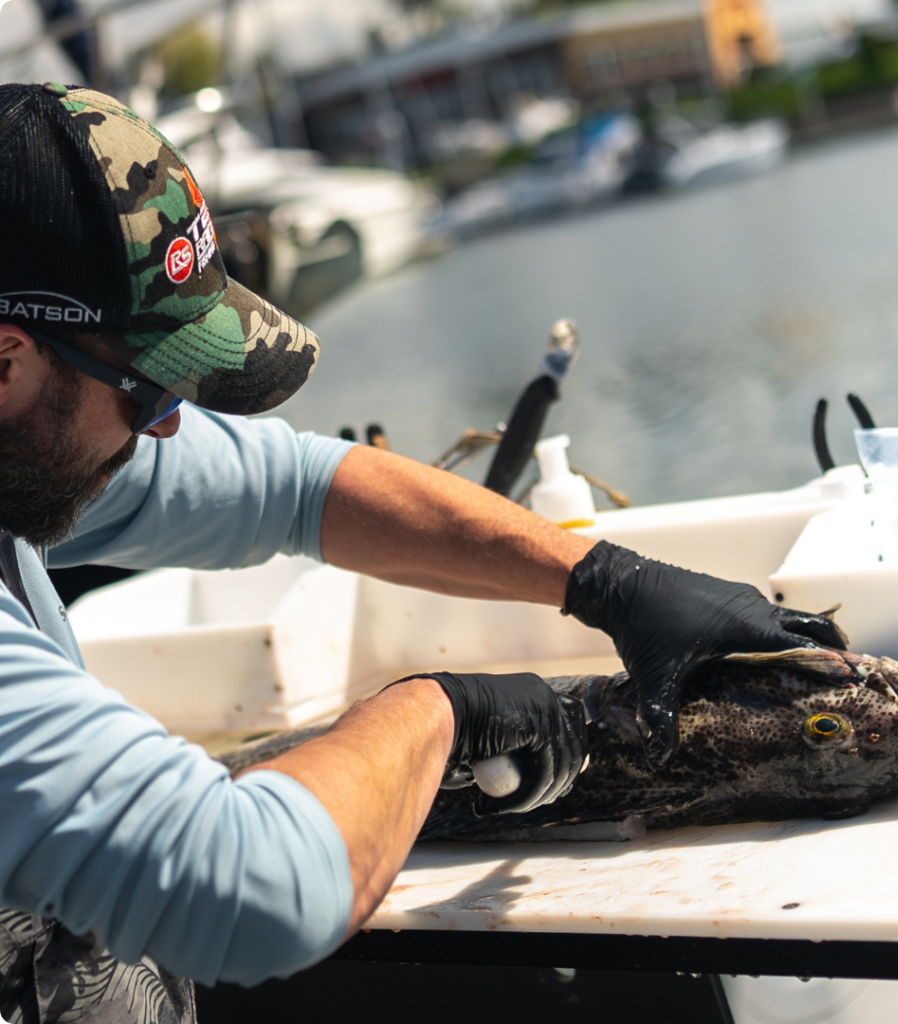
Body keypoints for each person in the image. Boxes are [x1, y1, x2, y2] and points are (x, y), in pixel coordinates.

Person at [0, 83, 846, 1023]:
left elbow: (299, 488)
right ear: (7, 359)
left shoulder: (27, 438)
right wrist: (444, 708)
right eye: (150, 394)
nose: (167, 432)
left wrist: (603, 577)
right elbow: (246, 892)